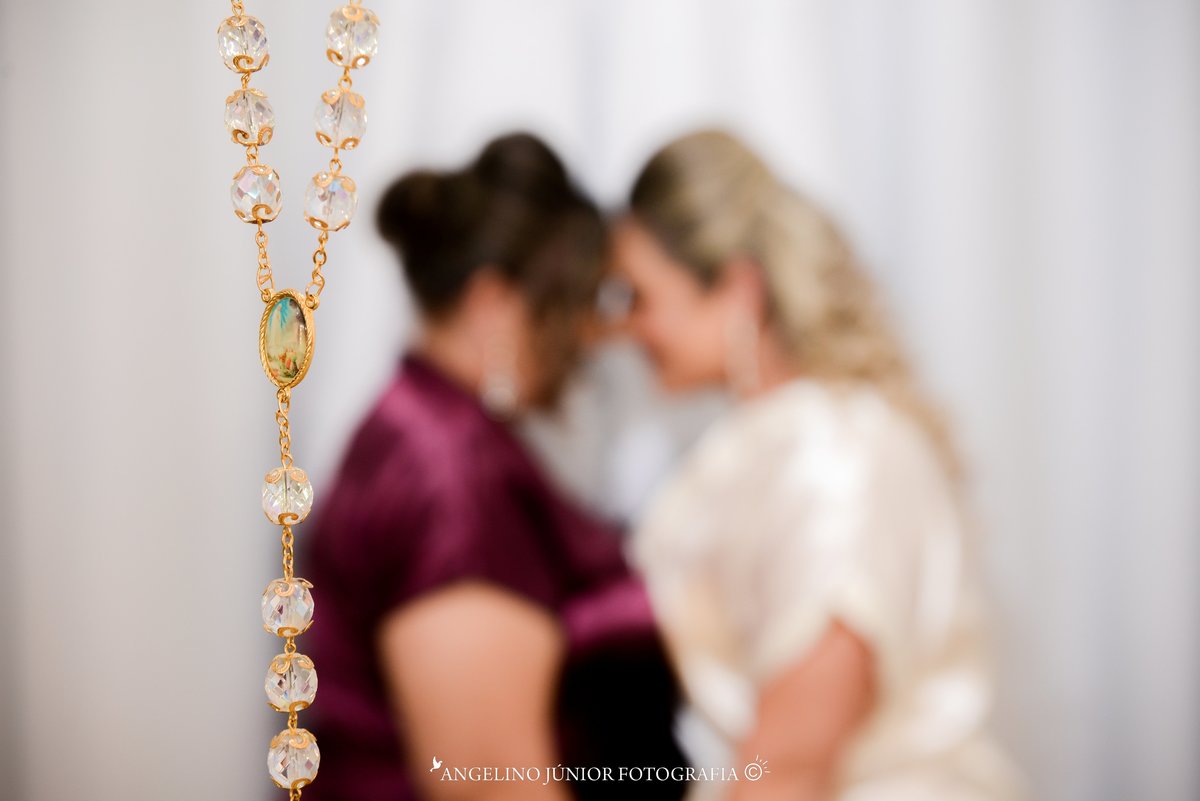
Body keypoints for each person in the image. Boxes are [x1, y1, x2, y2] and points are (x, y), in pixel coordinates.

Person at [612, 130, 1026, 801]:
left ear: (739, 288)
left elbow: (791, 770)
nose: (629, 329)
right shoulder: (768, 446)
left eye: (639, 296)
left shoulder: (834, 460)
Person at [298, 133, 686, 801]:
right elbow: (490, 786)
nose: (592, 338)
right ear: (493, 305)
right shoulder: (452, 478)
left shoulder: (419, 425)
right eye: (574, 306)